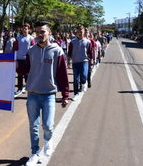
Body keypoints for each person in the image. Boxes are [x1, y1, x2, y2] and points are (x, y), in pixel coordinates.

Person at [16, 21, 69, 166]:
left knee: (47, 125)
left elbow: (62, 74)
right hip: (32, 93)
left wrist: (65, 95)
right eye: (38, 32)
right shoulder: (31, 51)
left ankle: (47, 141)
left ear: (49, 33)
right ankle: (34, 153)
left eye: (43, 32)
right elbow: (25, 69)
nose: (40, 34)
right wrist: (13, 65)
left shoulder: (57, 51)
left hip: (49, 94)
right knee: (33, 126)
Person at [67, 25, 93, 101]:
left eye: (81, 32)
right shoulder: (73, 42)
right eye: (78, 32)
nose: (79, 33)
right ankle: (75, 94)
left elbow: (91, 53)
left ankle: (83, 83)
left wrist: (91, 63)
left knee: (84, 75)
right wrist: (68, 61)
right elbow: (69, 52)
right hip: (75, 62)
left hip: (84, 61)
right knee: (75, 79)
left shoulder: (88, 42)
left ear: (84, 32)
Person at [13, 23, 35, 95]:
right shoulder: (18, 38)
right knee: (19, 74)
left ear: (29, 30)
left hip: (27, 59)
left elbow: (34, 49)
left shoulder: (31, 38)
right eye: (23, 29)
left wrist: (33, 59)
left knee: (27, 74)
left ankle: (29, 88)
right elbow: (15, 49)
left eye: (26, 29)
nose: (24, 30)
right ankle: (20, 88)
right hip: (19, 58)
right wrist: (15, 60)